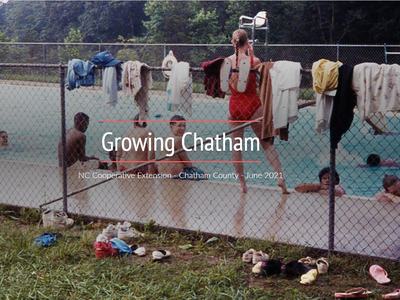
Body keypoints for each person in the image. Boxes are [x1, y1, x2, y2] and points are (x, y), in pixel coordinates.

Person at [226, 29, 288, 194]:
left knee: (236, 147)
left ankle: (242, 185)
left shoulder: (228, 61)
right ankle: (280, 176)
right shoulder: (254, 60)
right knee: (266, 143)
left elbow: (226, 87)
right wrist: (252, 54)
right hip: (253, 103)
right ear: (247, 43)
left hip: (235, 104)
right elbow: (265, 77)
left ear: (233, 43)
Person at [157, 115, 205, 179]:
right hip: (176, 175)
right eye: (179, 126)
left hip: (163, 173)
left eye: (184, 126)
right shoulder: (178, 139)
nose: (182, 128)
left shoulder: (165, 138)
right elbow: (186, 161)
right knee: (203, 174)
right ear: (171, 127)